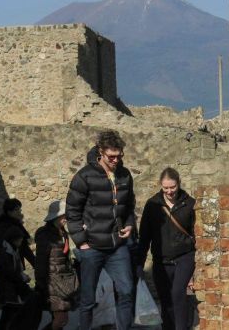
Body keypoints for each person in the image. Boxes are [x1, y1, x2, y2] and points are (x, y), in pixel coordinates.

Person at [65, 130, 136, 330]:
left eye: (119, 156)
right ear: (100, 152)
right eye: (111, 156)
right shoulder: (84, 176)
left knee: (127, 291)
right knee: (88, 299)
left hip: (117, 246)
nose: (115, 160)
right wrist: (81, 242)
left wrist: (129, 224)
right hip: (92, 247)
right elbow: (72, 211)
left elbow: (129, 206)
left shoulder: (125, 175)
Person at [138, 168, 196, 330]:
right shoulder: (153, 205)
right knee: (165, 300)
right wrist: (139, 263)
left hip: (184, 256)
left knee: (178, 294)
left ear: (179, 184)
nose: (170, 191)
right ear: (161, 186)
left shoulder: (189, 203)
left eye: (173, 187)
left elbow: (195, 234)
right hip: (161, 260)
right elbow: (144, 236)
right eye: (166, 188)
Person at [34, 201, 78, 330]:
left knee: (60, 320)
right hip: (51, 283)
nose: (67, 218)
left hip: (62, 283)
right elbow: (41, 261)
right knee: (61, 320)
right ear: (56, 217)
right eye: (64, 215)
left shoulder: (62, 232)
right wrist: (41, 284)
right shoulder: (45, 235)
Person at [0, 227, 37, 329]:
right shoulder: (5, 252)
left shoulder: (13, 250)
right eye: (20, 240)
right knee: (8, 316)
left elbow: (16, 269)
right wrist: (22, 278)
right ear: (14, 240)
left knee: (9, 315)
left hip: (11, 288)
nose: (21, 242)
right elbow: (9, 272)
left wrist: (22, 276)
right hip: (6, 289)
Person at [0, 198, 35, 268]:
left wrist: (35, 263)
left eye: (19, 209)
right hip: (8, 262)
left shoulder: (16, 223)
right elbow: (1, 245)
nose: (19, 212)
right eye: (16, 210)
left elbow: (24, 245)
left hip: (17, 261)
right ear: (9, 211)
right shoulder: (2, 226)